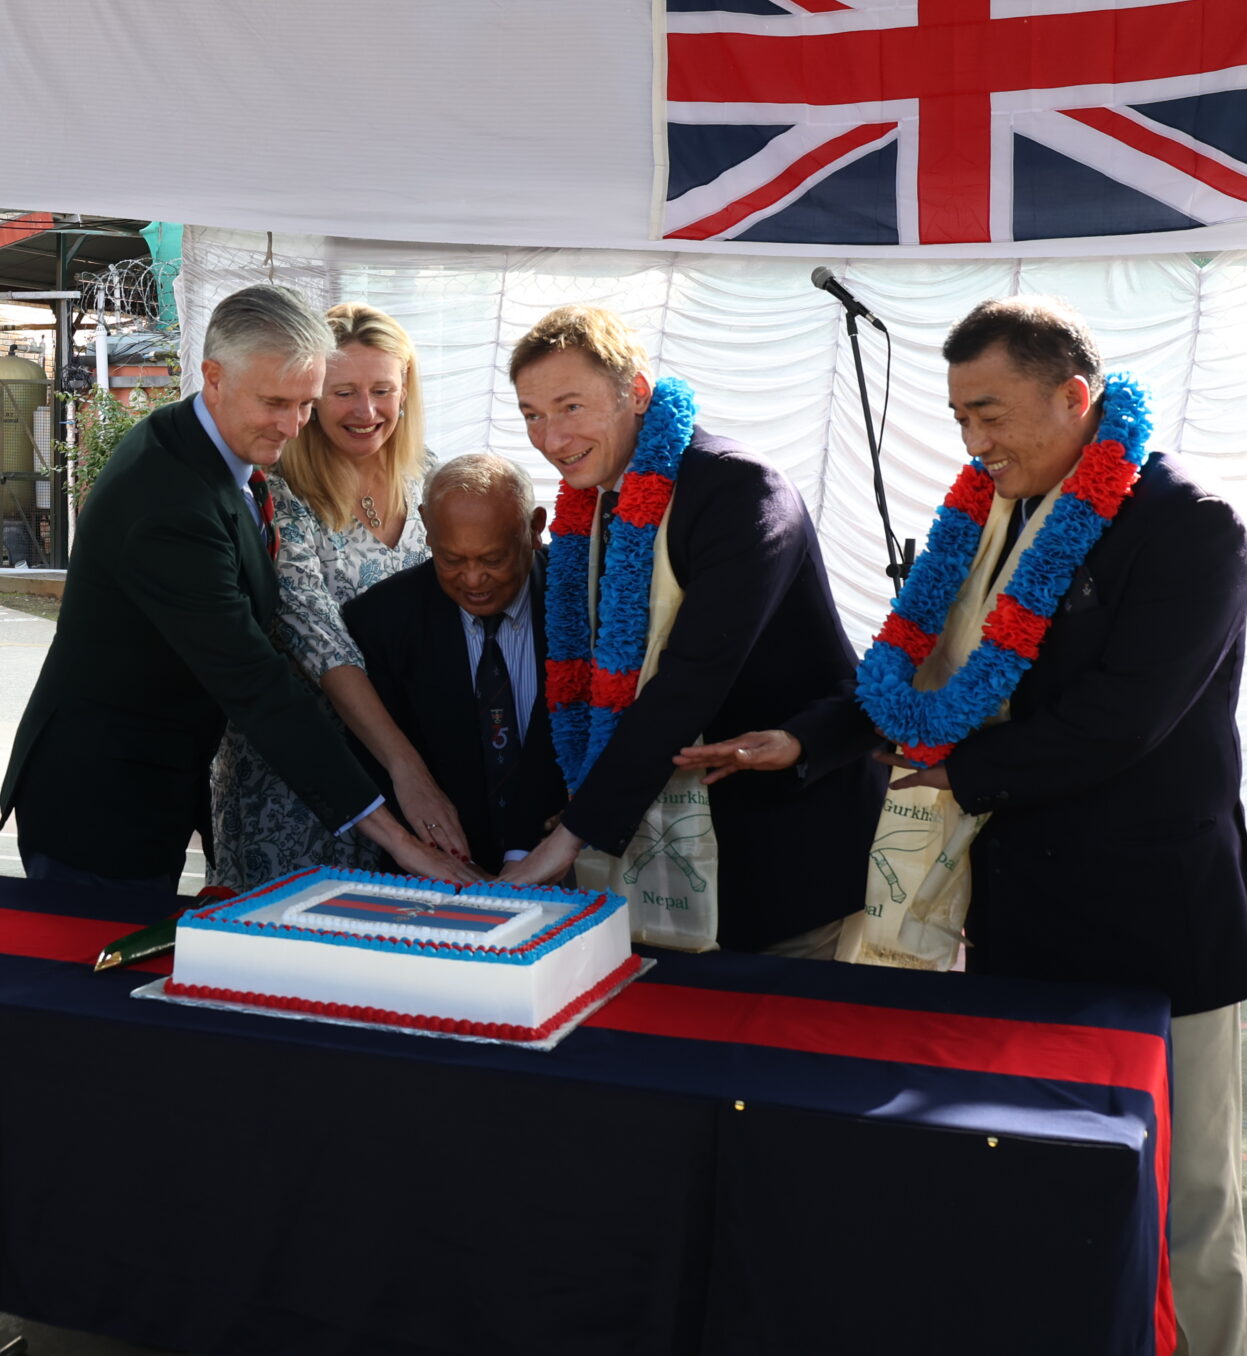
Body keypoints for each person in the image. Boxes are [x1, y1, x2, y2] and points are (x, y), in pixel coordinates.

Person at [689, 298, 1247, 1356]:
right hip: (1011, 909)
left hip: (1154, 916)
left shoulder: (1187, 528)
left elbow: (1127, 718)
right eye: (957, 417)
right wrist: (810, 739)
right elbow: (915, 678)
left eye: (990, 413)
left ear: (1075, 395)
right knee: (1034, 1176)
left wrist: (960, 775)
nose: (973, 439)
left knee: (1184, 1191)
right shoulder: (979, 517)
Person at [0, 284, 461, 898]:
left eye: (305, 403)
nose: (294, 426)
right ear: (213, 376)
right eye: (275, 402)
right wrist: (399, 838)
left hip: (163, 776)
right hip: (103, 793)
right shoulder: (171, 504)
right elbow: (254, 681)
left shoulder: (204, 444)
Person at [498, 305, 881, 954]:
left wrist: (571, 836)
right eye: (532, 415)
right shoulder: (592, 506)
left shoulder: (738, 487)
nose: (551, 439)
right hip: (659, 850)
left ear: (637, 392)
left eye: (570, 407)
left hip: (780, 851)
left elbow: (688, 679)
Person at [209, 303, 471, 888]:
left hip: (413, 761)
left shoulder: (427, 475)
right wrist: (406, 768)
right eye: (343, 391)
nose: (367, 411)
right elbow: (319, 641)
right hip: (302, 778)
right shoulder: (277, 490)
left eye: (383, 389)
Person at [342, 453, 568, 875]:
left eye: (492, 559)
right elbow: (368, 760)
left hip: (573, 858)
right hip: (438, 877)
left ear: (535, 527)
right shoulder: (380, 619)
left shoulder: (582, 600)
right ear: (427, 526)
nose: (473, 579)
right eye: (452, 559)